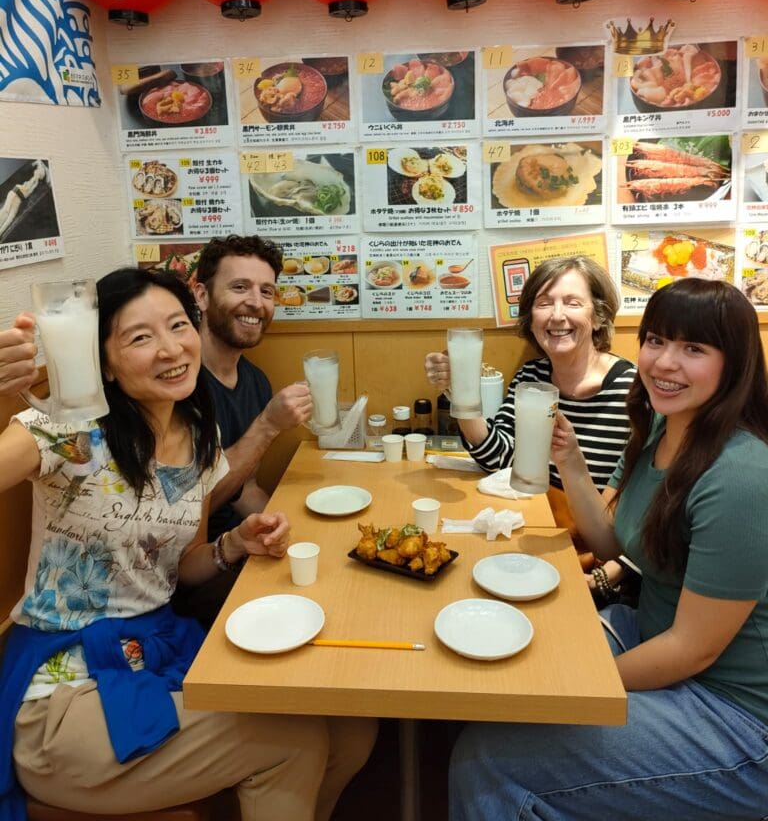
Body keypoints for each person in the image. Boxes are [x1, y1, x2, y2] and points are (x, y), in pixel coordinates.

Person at [0, 267, 375, 821]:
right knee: (293, 740)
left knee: (352, 728)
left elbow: (183, 565)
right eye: (139, 337)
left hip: (153, 655)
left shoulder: (199, 437)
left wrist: (234, 545)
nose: (171, 348)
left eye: (179, 325)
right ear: (101, 359)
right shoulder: (67, 431)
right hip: (66, 695)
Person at [450, 278, 768, 820]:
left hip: (733, 716)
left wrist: (576, 690)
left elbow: (694, 649)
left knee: (488, 757)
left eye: (694, 349)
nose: (665, 362)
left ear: (733, 364)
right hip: (651, 636)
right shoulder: (659, 427)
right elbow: (610, 541)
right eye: (656, 340)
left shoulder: (742, 475)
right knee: (504, 672)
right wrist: (572, 461)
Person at [425, 256, 636, 594]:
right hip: (538, 533)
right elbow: (502, 459)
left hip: (598, 560)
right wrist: (460, 394)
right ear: (531, 318)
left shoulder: (632, 392)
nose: (556, 315)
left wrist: (606, 576)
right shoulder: (532, 377)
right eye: (543, 303)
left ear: (597, 317)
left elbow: (642, 513)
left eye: (572, 302)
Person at [172, 234, 313, 627]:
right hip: (191, 572)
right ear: (200, 295)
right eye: (239, 287)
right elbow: (191, 508)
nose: (256, 302)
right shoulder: (177, 385)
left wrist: (295, 532)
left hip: (244, 545)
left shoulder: (254, 380)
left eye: (266, 291)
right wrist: (267, 426)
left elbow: (244, 491)